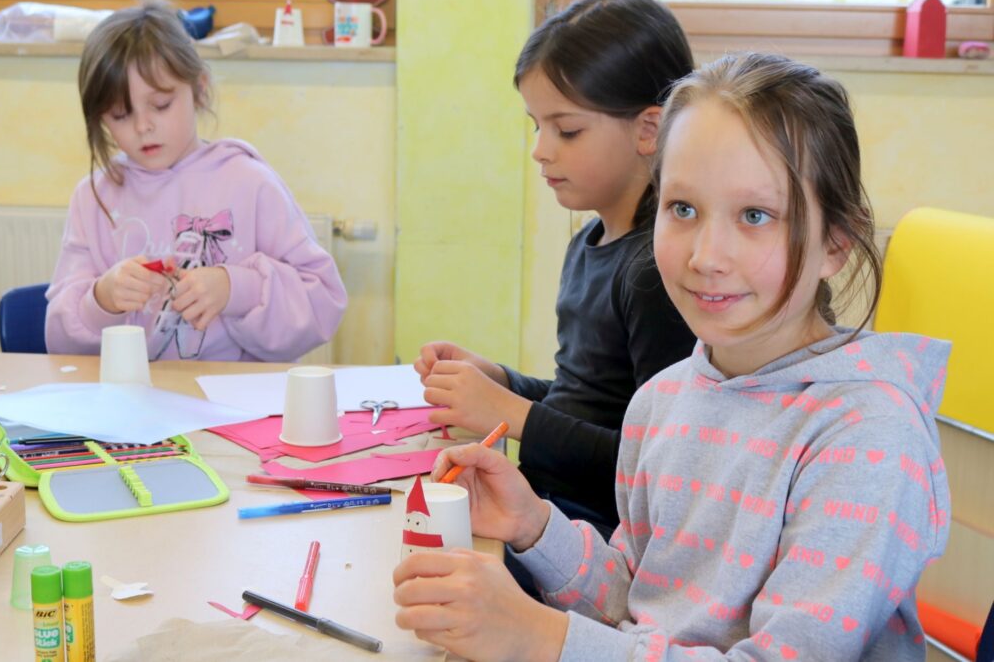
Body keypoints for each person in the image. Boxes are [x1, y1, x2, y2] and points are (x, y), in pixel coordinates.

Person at [394, 52, 951, 661]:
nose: (706, 255)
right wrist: (534, 526)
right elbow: (638, 602)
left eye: (756, 216)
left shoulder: (867, 437)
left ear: (837, 243)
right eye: (682, 209)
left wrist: (538, 637)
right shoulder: (664, 398)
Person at [413, 0, 696, 537]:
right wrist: (500, 381)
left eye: (566, 130)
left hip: (596, 535)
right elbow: (587, 400)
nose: (541, 149)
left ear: (649, 130)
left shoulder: (657, 272)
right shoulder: (590, 240)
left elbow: (654, 465)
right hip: (546, 503)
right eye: (535, 126)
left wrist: (510, 412)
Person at [45, 2, 346, 362]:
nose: (143, 127)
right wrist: (102, 299)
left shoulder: (249, 183)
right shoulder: (93, 198)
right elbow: (59, 344)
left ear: (198, 89)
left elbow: (323, 303)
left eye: (161, 104)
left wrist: (237, 289)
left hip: (235, 409)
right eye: (121, 115)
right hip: (133, 408)